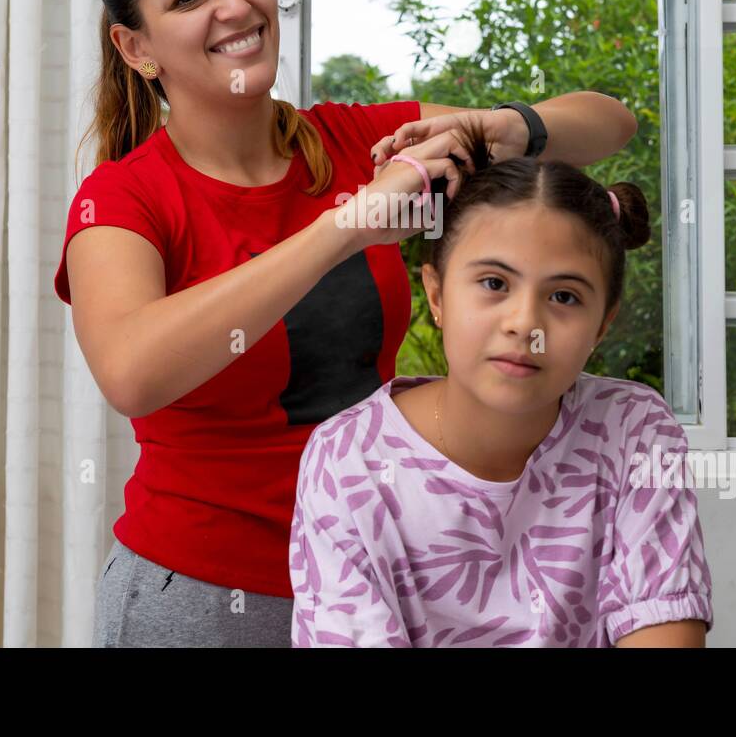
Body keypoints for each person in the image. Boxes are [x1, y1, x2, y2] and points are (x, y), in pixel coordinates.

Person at [54, 0, 640, 647]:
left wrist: (504, 126)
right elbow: (131, 371)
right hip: (203, 599)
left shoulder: (357, 140)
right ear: (137, 48)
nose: (235, 6)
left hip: (375, 581)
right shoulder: (125, 198)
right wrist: (348, 226)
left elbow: (610, 124)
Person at [289, 120, 713, 647]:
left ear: (602, 323)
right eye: (494, 283)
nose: (524, 323)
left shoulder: (633, 431)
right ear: (437, 295)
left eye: (564, 297)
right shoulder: (347, 460)